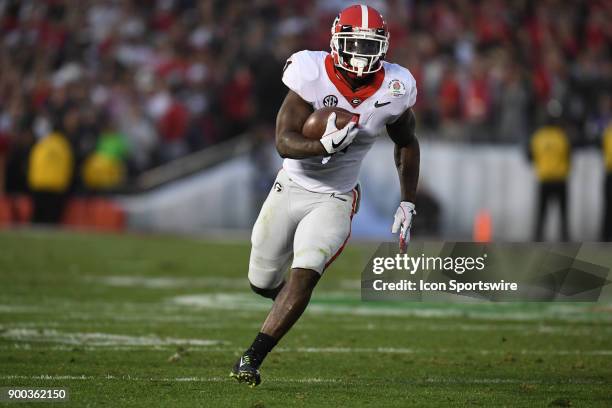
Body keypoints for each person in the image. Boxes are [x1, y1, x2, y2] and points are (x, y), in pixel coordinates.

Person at [230, 4, 420, 387]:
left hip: (336, 196)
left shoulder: (395, 87)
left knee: (305, 273)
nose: (362, 55)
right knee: (262, 281)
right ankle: (286, 305)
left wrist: (407, 199)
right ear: (336, 41)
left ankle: (251, 357)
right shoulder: (311, 72)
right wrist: (322, 147)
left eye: (370, 46)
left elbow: (407, 142)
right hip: (291, 185)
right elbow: (283, 141)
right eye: (355, 45)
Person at [529, 116, 571, 241]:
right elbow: (569, 155)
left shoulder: (538, 137)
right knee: (563, 213)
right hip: (560, 179)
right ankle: (565, 239)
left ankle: (538, 238)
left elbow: (529, 155)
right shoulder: (562, 136)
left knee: (542, 213)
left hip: (545, 179)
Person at [28, 131, 74, 224]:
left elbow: (34, 164)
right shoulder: (64, 145)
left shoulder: (41, 144)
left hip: (40, 184)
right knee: (53, 217)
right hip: (56, 185)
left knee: (38, 214)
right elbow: (68, 167)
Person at [602, 123, 612, 240]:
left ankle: (605, 236)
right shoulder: (608, 132)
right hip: (610, 173)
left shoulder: (608, 132)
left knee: (608, 207)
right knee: (609, 207)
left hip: (609, 174)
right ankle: (605, 236)